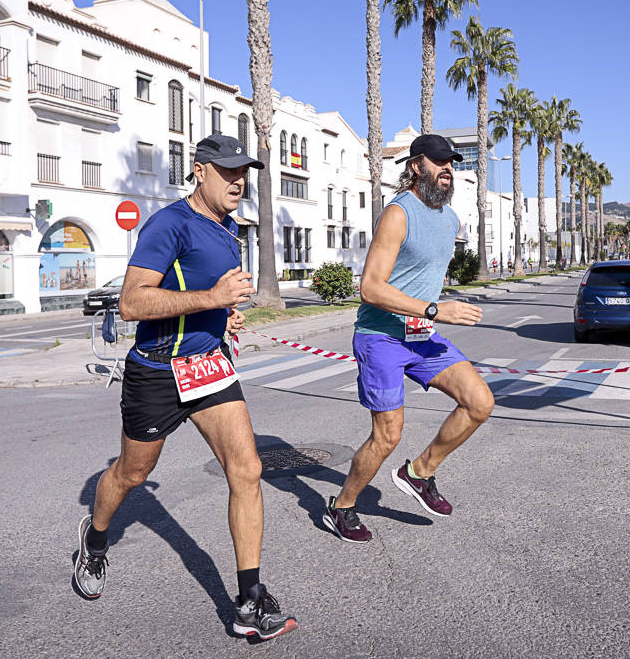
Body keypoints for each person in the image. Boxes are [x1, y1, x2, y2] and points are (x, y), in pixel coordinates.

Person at [71, 135, 297, 641]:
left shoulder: (229, 228)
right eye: (228, 171)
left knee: (247, 467)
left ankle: (250, 600)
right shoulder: (168, 224)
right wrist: (211, 296)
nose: (239, 181)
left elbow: (202, 297)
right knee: (132, 473)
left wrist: (224, 313)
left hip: (208, 366)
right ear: (199, 171)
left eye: (243, 172)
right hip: (156, 372)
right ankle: (96, 539)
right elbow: (132, 303)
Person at [323, 134, 493, 544]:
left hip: (421, 336)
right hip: (380, 336)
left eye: (452, 162)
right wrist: (435, 309)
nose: (448, 169)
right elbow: (370, 288)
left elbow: (421, 277)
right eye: (439, 162)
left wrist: (433, 309)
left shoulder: (450, 220)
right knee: (388, 434)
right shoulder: (398, 214)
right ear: (417, 166)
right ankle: (342, 507)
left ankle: (419, 473)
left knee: (479, 402)